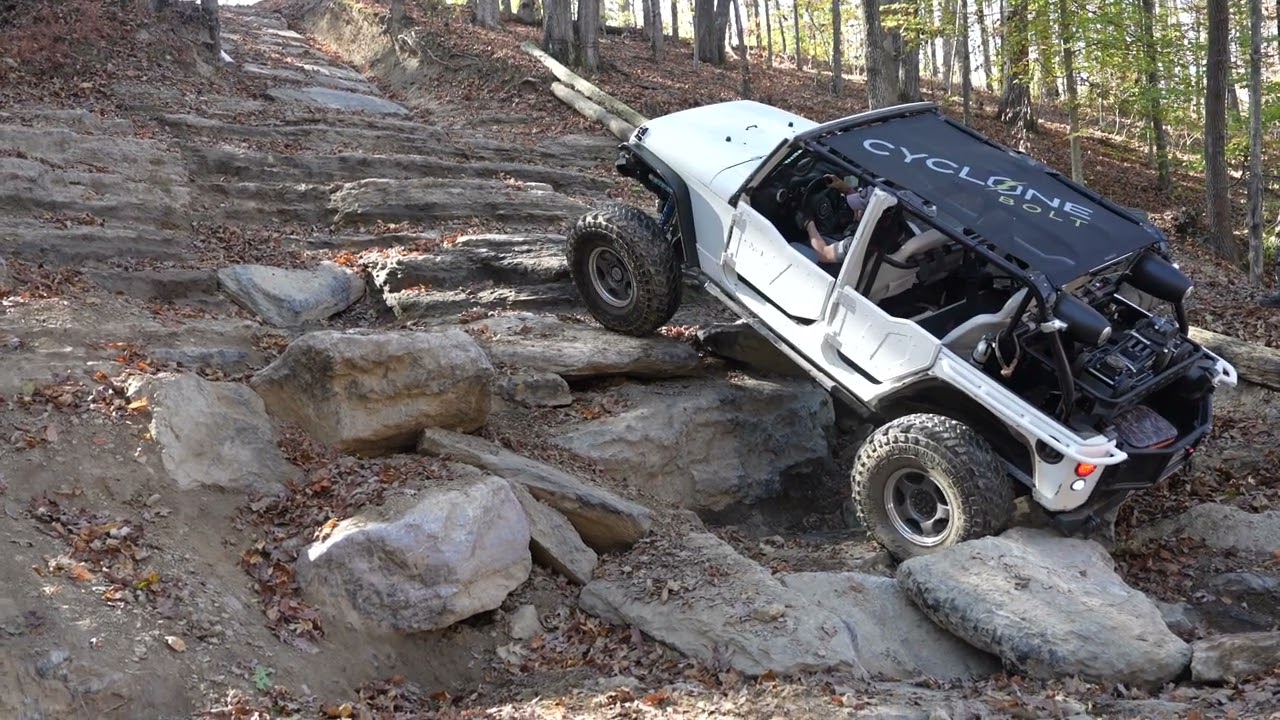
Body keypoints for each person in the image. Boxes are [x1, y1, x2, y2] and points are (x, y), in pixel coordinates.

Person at [791, 174, 871, 266]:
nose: (857, 210)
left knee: (794, 247)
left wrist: (809, 224)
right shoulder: (878, 215)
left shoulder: (854, 242)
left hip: (840, 268)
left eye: (860, 208)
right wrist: (846, 189)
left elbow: (825, 254)